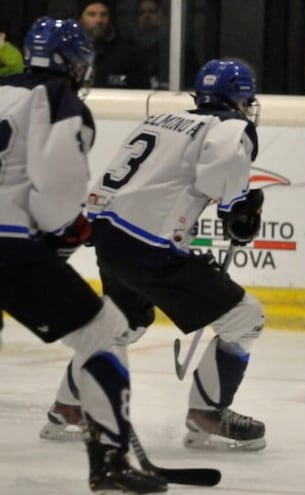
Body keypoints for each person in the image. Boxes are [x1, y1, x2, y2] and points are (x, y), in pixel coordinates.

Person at [39, 58, 268, 452]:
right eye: (246, 101)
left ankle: (69, 406)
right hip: (150, 247)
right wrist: (244, 209)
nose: (248, 109)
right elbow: (225, 193)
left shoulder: (159, 121)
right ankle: (208, 413)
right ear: (237, 100)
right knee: (246, 317)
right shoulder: (230, 128)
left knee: (121, 324)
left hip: (109, 234)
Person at [0, 17, 167, 493]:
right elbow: (57, 194)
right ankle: (110, 462)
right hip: (7, 241)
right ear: (75, 63)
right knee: (106, 334)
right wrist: (62, 231)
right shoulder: (59, 101)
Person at [79, 0, 150, 89]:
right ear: (81, 19)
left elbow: (142, 92)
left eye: (103, 15)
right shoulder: (70, 52)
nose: (99, 20)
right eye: (92, 15)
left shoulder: (128, 54)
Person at [132, 0, 169, 88]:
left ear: (162, 16)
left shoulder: (174, 46)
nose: (146, 16)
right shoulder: (129, 47)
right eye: (142, 12)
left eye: (152, 12)